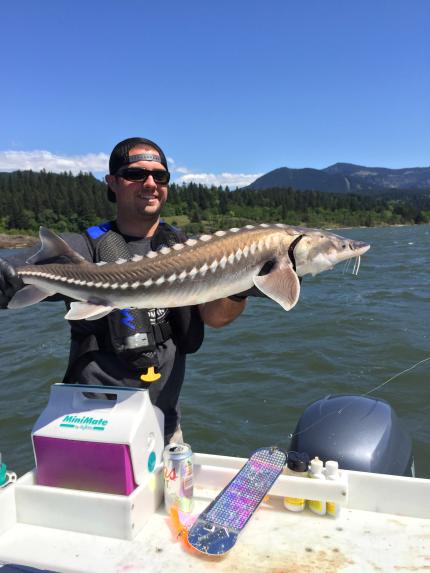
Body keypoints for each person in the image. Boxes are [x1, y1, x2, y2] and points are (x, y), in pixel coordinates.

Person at [0, 137, 248, 444]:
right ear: (112, 183)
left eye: (160, 176)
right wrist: (8, 273)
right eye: (135, 175)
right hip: (92, 424)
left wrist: (244, 281)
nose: (150, 184)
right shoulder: (87, 246)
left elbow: (215, 317)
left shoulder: (186, 248)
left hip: (164, 425)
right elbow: (22, 264)